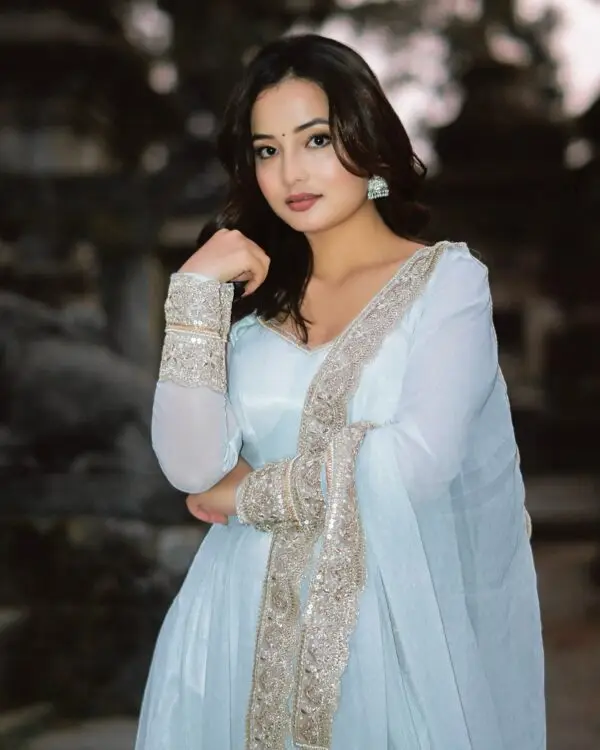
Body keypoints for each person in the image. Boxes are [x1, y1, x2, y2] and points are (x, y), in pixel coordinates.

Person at [135, 33, 545, 750]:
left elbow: (416, 465)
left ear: (369, 143)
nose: (290, 171)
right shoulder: (247, 307)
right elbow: (191, 466)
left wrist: (246, 495)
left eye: (316, 139)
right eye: (267, 150)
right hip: (228, 633)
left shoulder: (447, 284)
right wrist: (194, 290)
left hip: (386, 637)